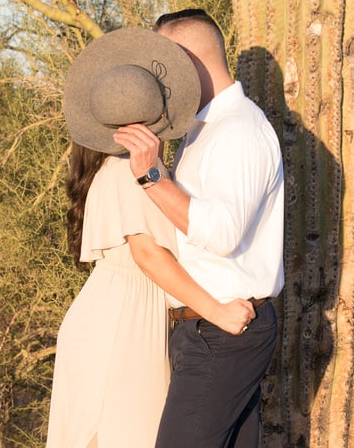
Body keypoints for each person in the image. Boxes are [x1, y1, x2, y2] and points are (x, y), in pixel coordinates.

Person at [47, 27, 256, 448]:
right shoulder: (127, 175)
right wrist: (217, 312)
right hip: (122, 325)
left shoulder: (129, 170)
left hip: (120, 317)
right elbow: (149, 255)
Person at [112, 9, 284, 448]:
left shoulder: (239, 130)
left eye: (162, 66)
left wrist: (152, 177)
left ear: (186, 60)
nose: (160, 82)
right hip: (210, 326)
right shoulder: (204, 130)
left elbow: (223, 233)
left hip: (225, 329)